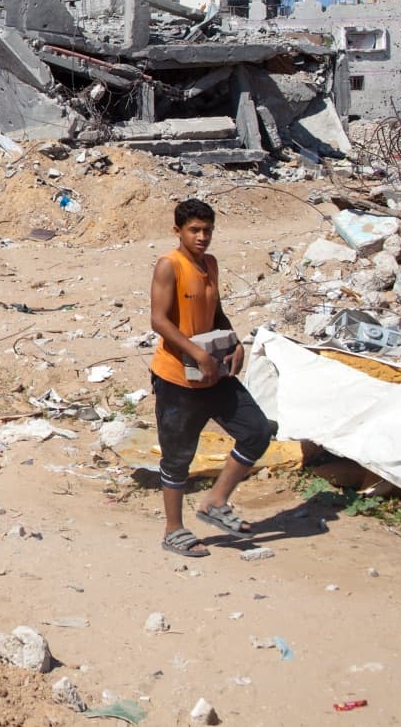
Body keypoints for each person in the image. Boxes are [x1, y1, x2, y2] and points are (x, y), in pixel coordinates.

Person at [148, 198, 276, 557]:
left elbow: (215, 310)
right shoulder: (168, 266)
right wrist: (197, 353)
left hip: (213, 372)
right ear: (178, 231)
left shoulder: (211, 265)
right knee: (177, 457)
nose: (202, 237)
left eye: (208, 230)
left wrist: (233, 340)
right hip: (178, 378)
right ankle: (173, 529)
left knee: (257, 430)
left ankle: (215, 501)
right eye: (195, 230)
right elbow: (159, 321)